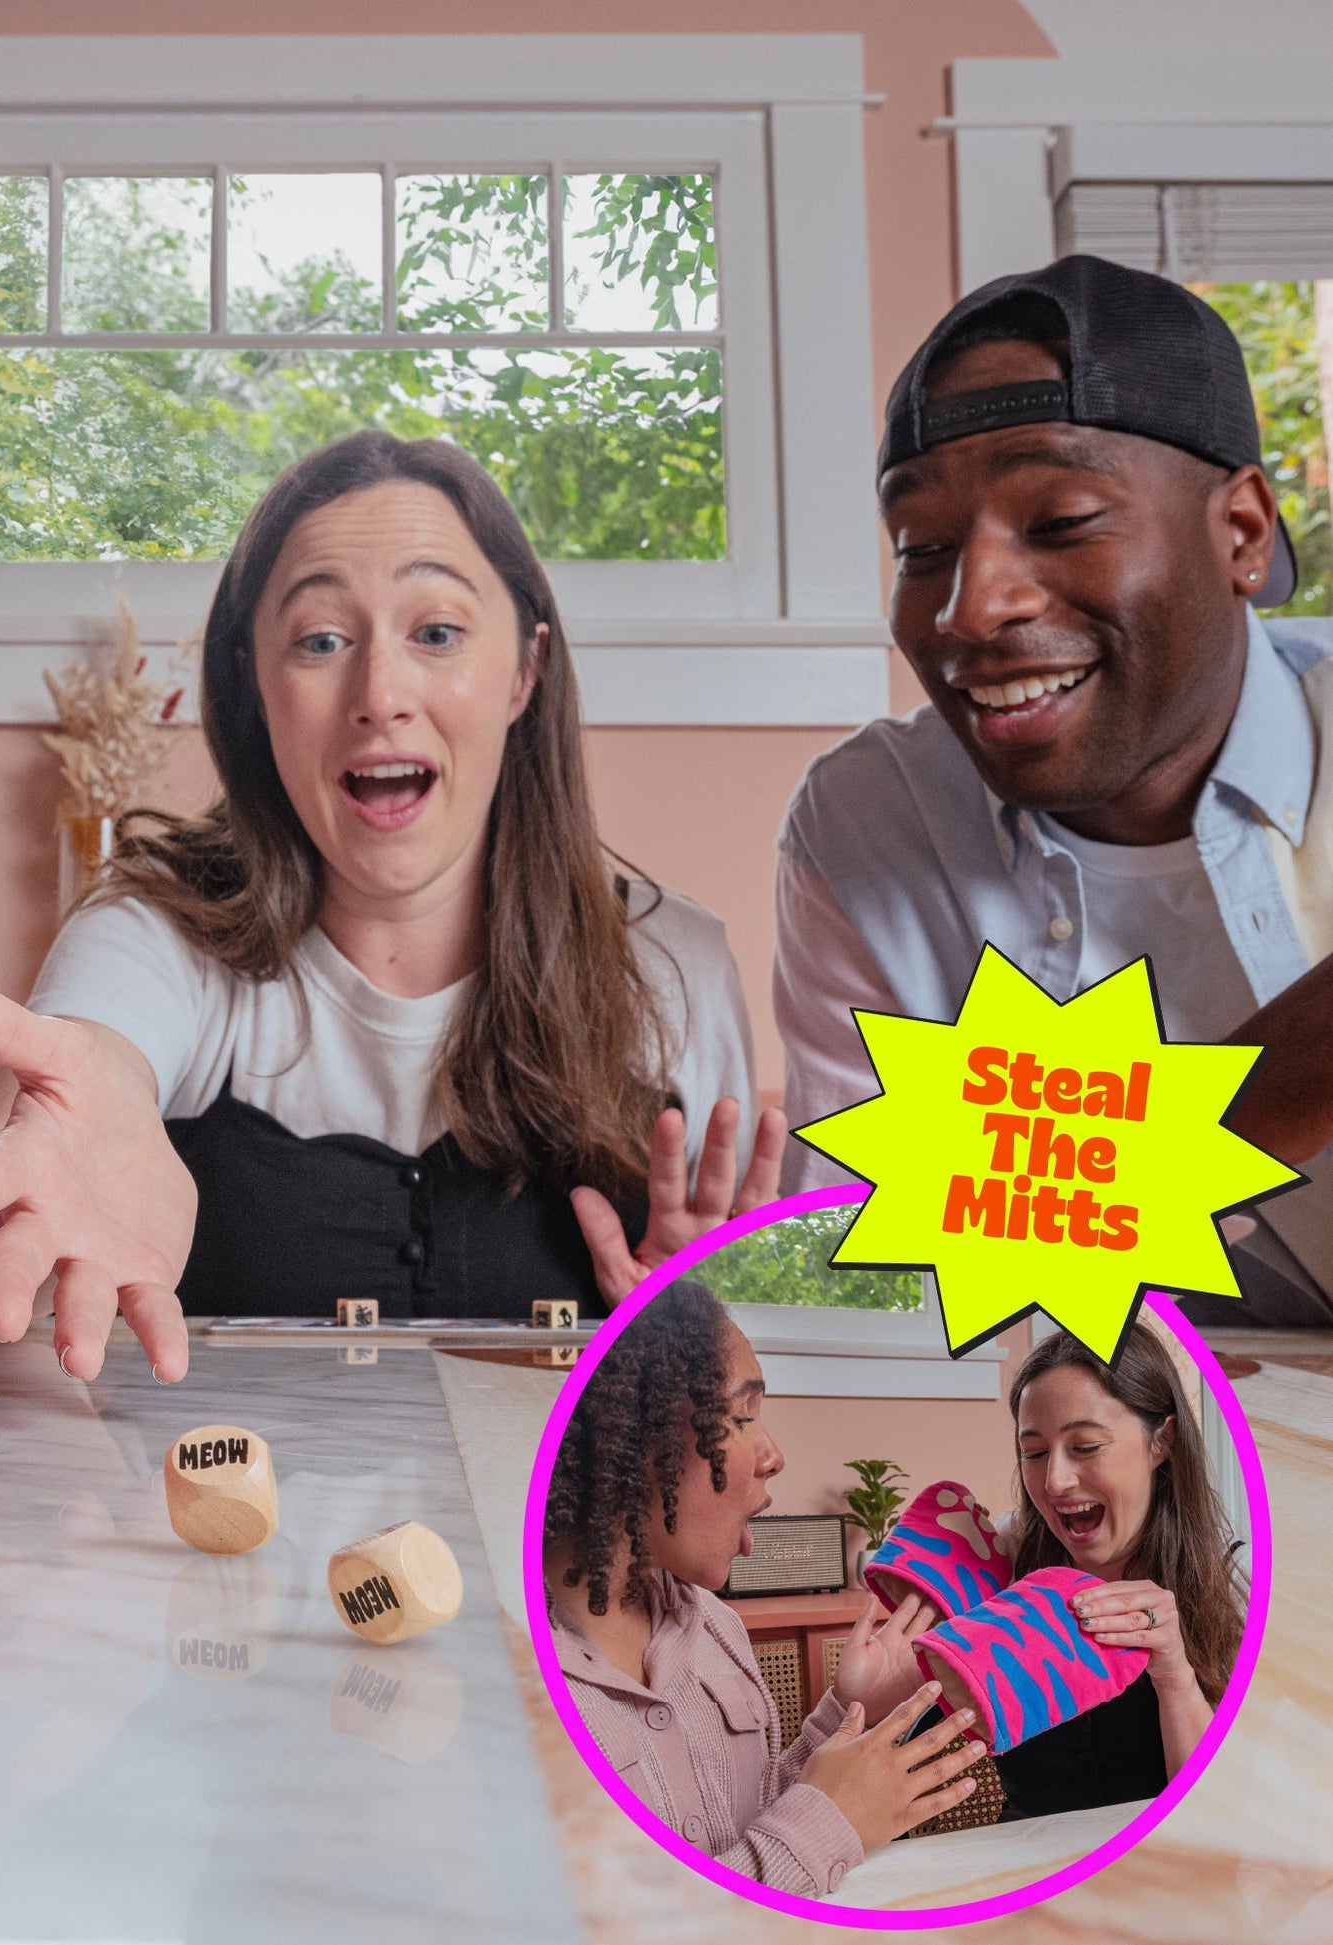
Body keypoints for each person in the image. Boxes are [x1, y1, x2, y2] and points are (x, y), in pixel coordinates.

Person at [0, 432, 785, 1382]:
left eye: (438, 633)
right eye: (321, 639)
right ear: (255, 680)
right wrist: (36, 1176)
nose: (379, 694)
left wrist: (685, 1327)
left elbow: (726, 1394)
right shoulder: (150, 928)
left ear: (525, 672)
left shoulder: (674, 964)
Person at [774, 254, 1333, 1327]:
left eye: (1062, 520)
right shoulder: (865, 827)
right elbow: (891, 1285)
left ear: (1243, 535)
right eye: (922, 547)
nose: (969, 606)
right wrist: (1257, 1098)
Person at [542, 1280, 989, 1896]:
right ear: (637, 1437)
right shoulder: (523, 1684)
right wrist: (826, 1830)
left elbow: (758, 1821)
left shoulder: (715, 1629)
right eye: (742, 1416)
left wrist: (848, 1715)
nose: (774, 1455)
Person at [995, 1324, 1245, 1817]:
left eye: (1086, 1446)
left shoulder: (1237, 1581)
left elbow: (1222, 1820)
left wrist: (1174, 1672)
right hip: (1024, 1874)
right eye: (1034, 1453)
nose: (1055, 1481)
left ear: (1162, 1441)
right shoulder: (1005, 1556)